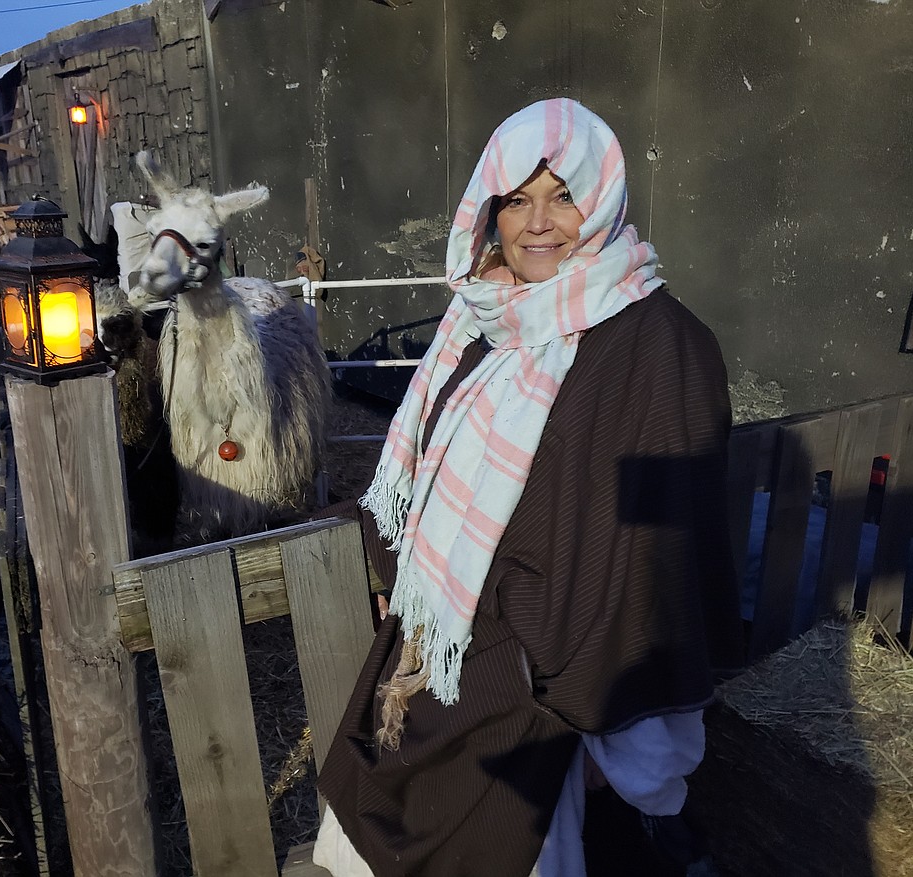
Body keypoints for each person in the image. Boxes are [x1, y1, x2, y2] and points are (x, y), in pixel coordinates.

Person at [312, 98, 743, 876]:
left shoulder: (658, 345)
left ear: (604, 199)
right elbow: (431, 476)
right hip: (444, 659)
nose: (538, 223)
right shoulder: (485, 319)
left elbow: (655, 571)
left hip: (534, 702)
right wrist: (399, 567)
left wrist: (626, 739)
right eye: (517, 198)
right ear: (489, 210)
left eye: (564, 195)